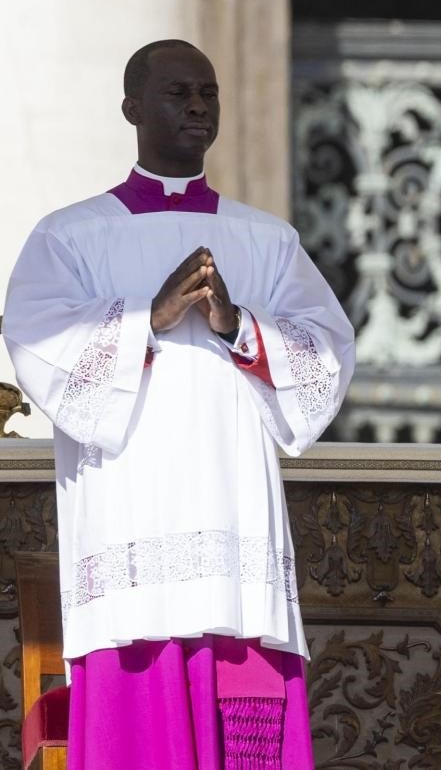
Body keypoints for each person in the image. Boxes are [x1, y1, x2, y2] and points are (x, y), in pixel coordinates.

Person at [3, 39, 356, 769]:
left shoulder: (267, 240)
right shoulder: (68, 237)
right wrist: (147, 317)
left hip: (234, 529)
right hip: (130, 517)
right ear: (131, 108)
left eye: (209, 93)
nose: (198, 106)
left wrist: (239, 327)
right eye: (177, 93)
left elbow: (326, 350)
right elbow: (39, 341)